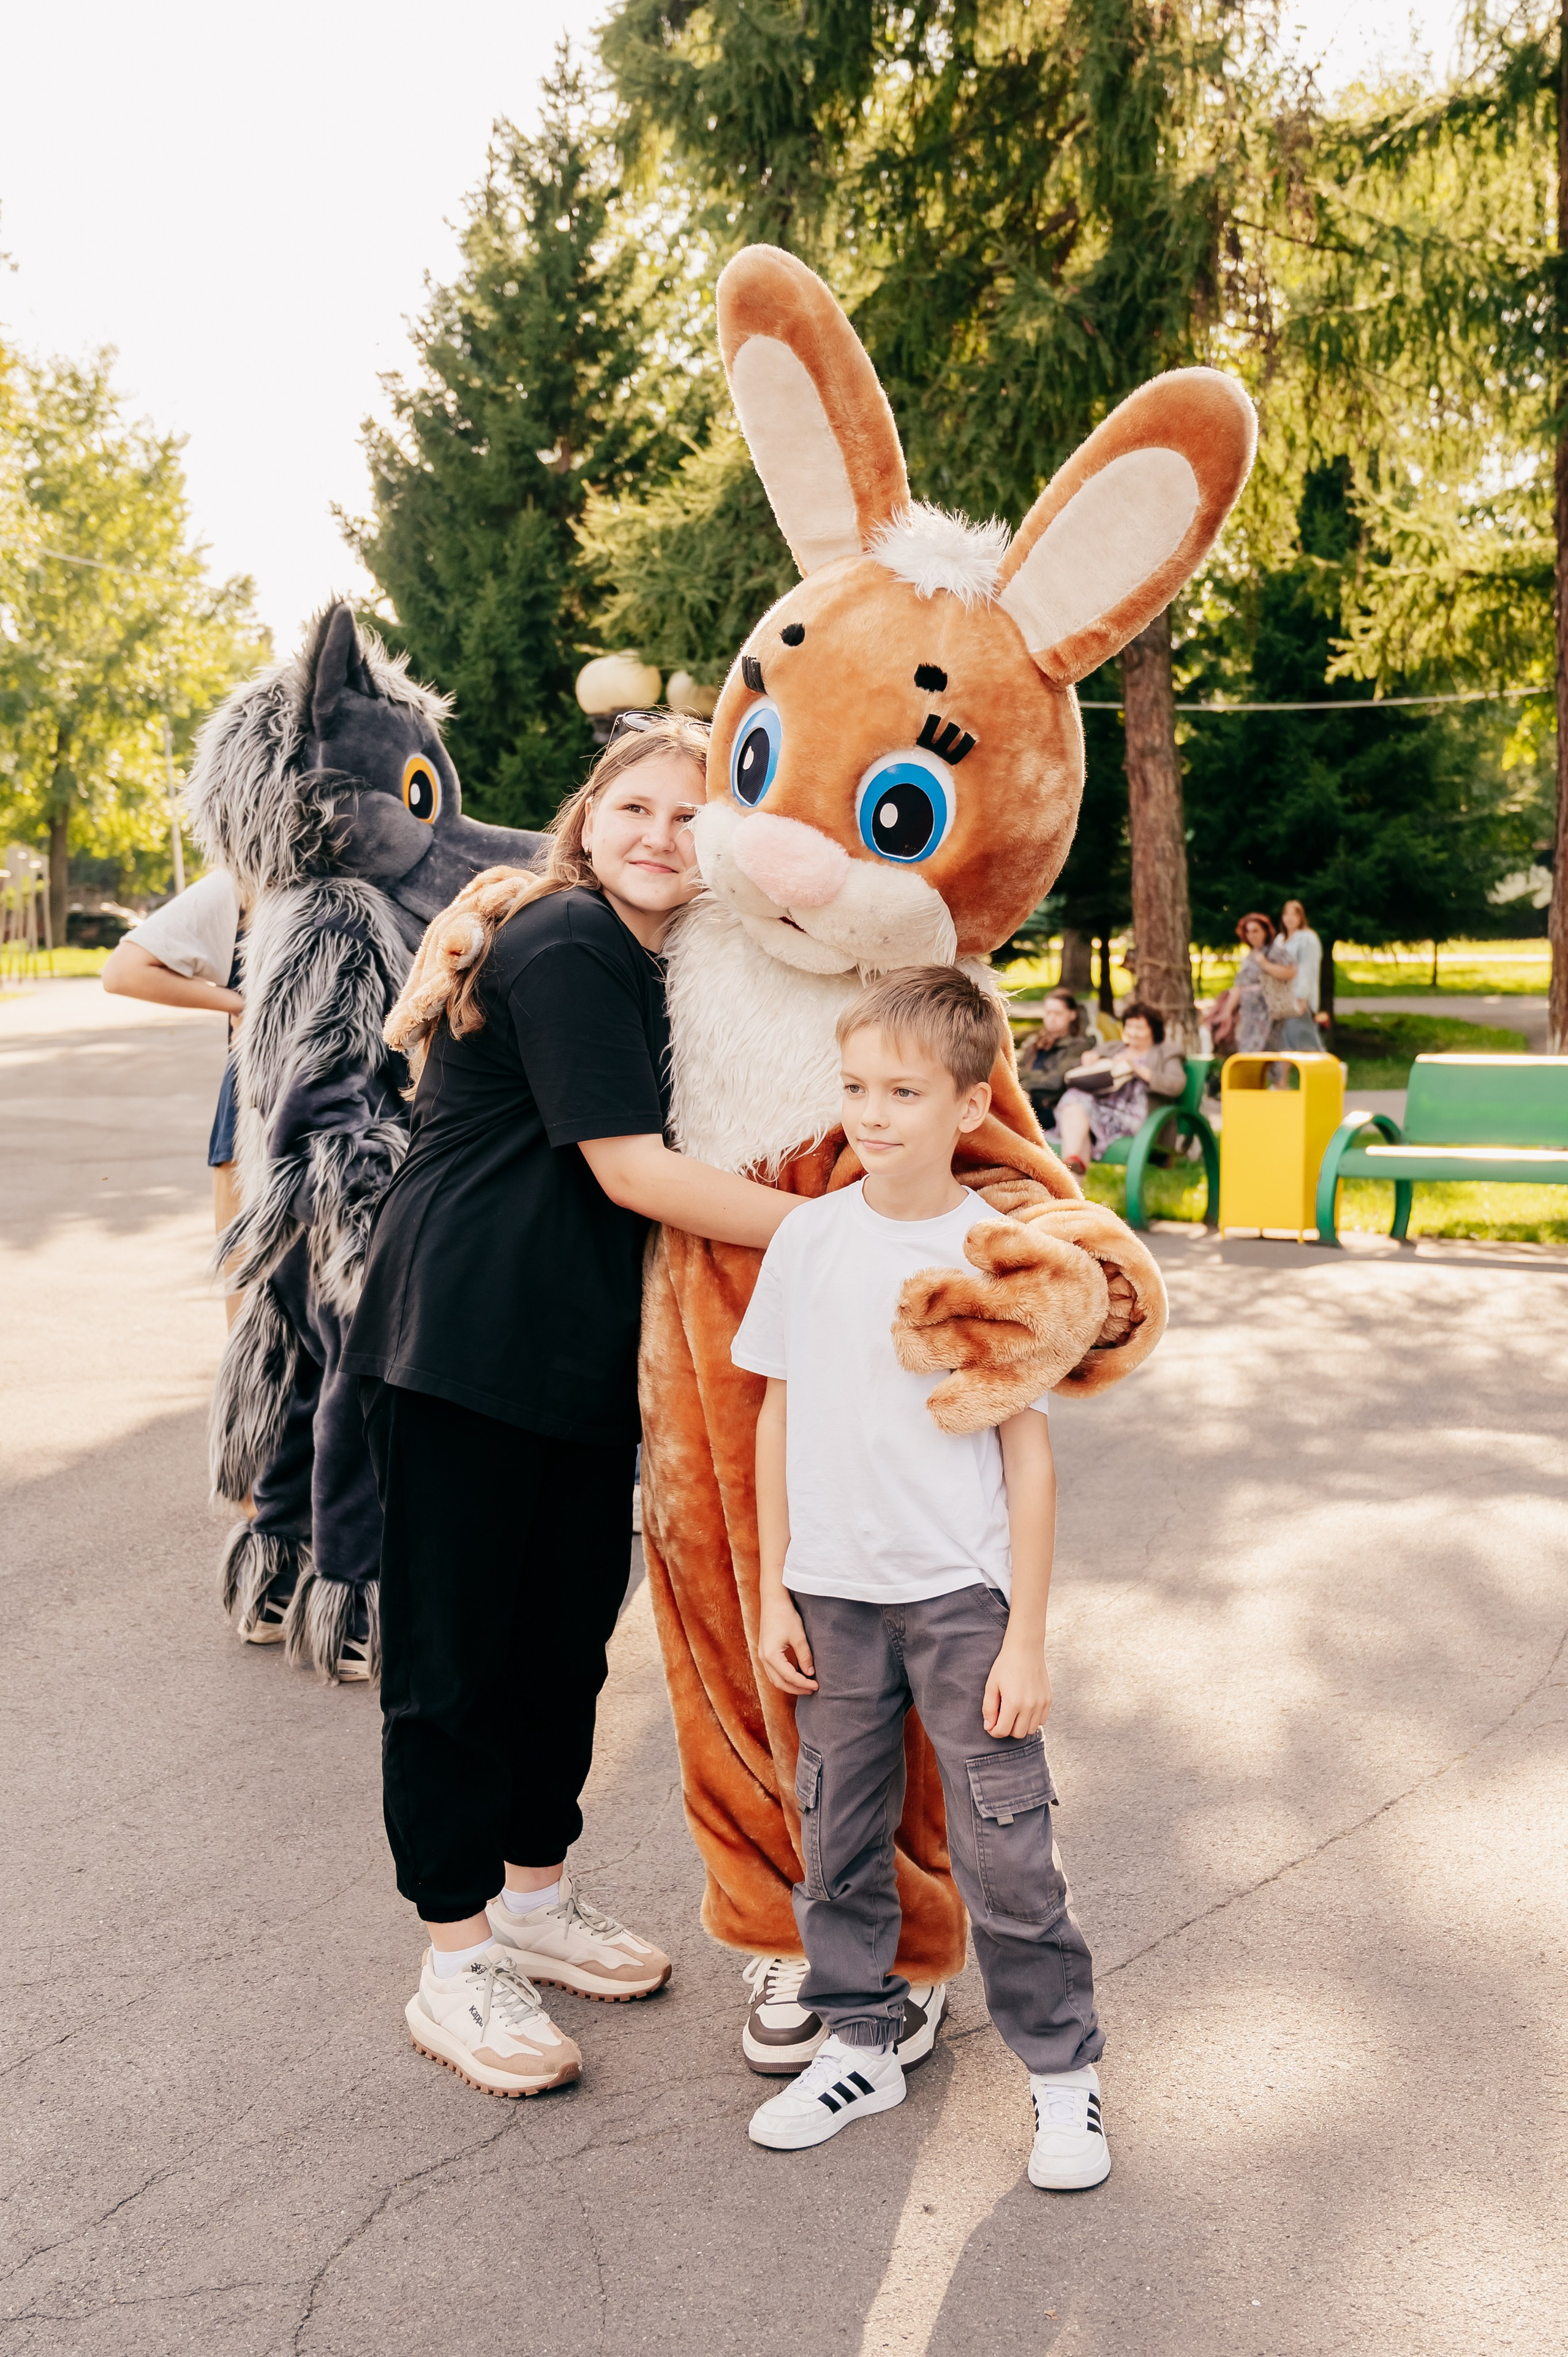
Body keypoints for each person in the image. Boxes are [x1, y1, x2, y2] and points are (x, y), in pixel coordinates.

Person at [346, 715, 808, 2100]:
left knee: (559, 1651)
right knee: (453, 1667)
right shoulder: (563, 941)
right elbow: (632, 1171)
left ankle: (536, 1903)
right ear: (586, 814)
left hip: (576, 1360)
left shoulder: (653, 959)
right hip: (460, 1348)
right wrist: (852, 1234)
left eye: (690, 813)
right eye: (635, 806)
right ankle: (453, 1952)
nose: (660, 833)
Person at [735, 966, 1109, 2189]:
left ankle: (1062, 2078)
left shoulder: (996, 1257)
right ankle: (857, 2041)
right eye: (855, 1087)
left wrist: (1025, 1639)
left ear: (965, 1103)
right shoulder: (806, 1237)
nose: (872, 1112)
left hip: (961, 1604)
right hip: (831, 1598)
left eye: (903, 1090)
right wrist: (772, 1588)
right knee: (834, 1832)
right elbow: (772, 1416)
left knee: (1007, 1851)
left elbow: (1028, 1454)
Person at [102, 869, 247, 1289]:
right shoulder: (245, 881)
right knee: (265, 1332)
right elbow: (125, 971)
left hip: (385, 1135)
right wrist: (243, 1003)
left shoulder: (414, 872)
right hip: (256, 1135)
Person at [1052, 1001, 1186, 1178]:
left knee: (1081, 1122)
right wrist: (1089, 1058)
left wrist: (1137, 1069)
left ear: (1153, 1030)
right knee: (1074, 1098)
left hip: (1137, 1119)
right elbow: (1083, 1067)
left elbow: (1177, 1085)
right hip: (1102, 1110)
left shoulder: (1166, 1053)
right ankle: (1073, 1162)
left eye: (1140, 1028)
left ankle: (1069, 1179)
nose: (1133, 1033)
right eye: (1129, 1026)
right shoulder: (1114, 1047)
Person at [1014, 987, 1089, 1133]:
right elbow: (1013, 1069)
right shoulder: (1035, 1042)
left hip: (1049, 1108)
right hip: (1024, 1099)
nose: (1052, 1018)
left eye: (1058, 1013)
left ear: (1072, 1015)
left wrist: (1026, 1085)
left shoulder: (1078, 1046)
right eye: (1048, 1013)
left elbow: (1055, 1082)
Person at [1207, 912, 1277, 1056]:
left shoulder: (1275, 952)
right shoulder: (1249, 957)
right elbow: (1239, 987)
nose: (1251, 935)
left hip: (1267, 1012)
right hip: (1248, 1014)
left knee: (1266, 1054)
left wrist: (1266, 965)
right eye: (1248, 931)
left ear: (1265, 931)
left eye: (1256, 931)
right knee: (1247, 1052)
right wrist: (1227, 1011)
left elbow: (1291, 972)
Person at [1270, 899, 1325, 1050]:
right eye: (1286, 914)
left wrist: (1302, 997)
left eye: (1294, 914)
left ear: (1301, 917)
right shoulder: (1280, 940)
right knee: (1284, 1043)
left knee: (1306, 1041)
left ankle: (1327, 1072)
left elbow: (1308, 969)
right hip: (1282, 999)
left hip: (1298, 998)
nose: (1290, 918)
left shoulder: (1307, 938)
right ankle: (1283, 1076)